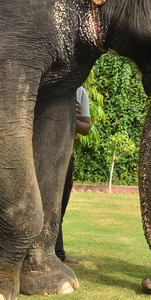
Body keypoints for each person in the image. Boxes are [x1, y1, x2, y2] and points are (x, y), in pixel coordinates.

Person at [55, 86, 91, 265]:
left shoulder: (80, 92)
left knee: (59, 209)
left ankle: (58, 255)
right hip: (38, 155)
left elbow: (86, 128)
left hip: (65, 156)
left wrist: (69, 117)